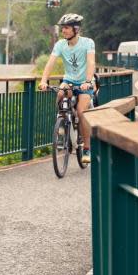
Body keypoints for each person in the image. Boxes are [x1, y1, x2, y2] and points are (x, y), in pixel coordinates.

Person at [39, 13, 96, 164]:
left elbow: (91, 63)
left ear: (76, 29)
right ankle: (62, 124)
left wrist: (88, 81)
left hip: (85, 82)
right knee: (60, 93)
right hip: (69, 80)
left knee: (81, 112)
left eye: (66, 28)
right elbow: (50, 63)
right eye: (62, 28)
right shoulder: (60, 45)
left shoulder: (88, 43)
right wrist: (44, 80)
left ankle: (86, 149)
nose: (63, 31)